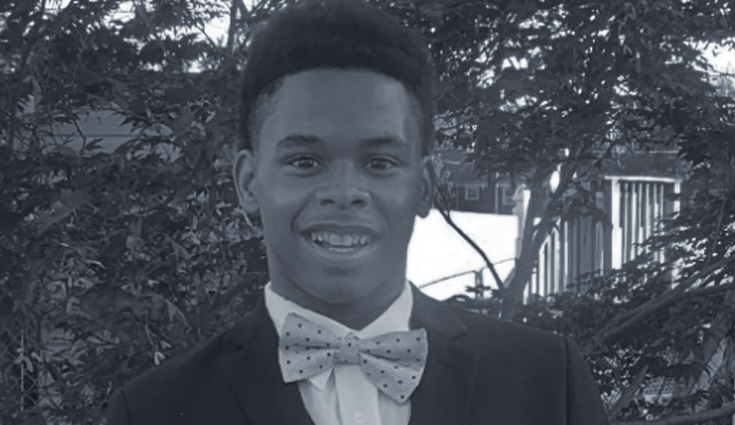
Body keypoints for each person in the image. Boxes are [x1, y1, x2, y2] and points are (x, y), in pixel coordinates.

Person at [103, 1, 609, 424]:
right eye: (305, 161)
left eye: (380, 162)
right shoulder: (154, 411)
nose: (344, 192)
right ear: (249, 183)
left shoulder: (547, 384)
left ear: (426, 187)